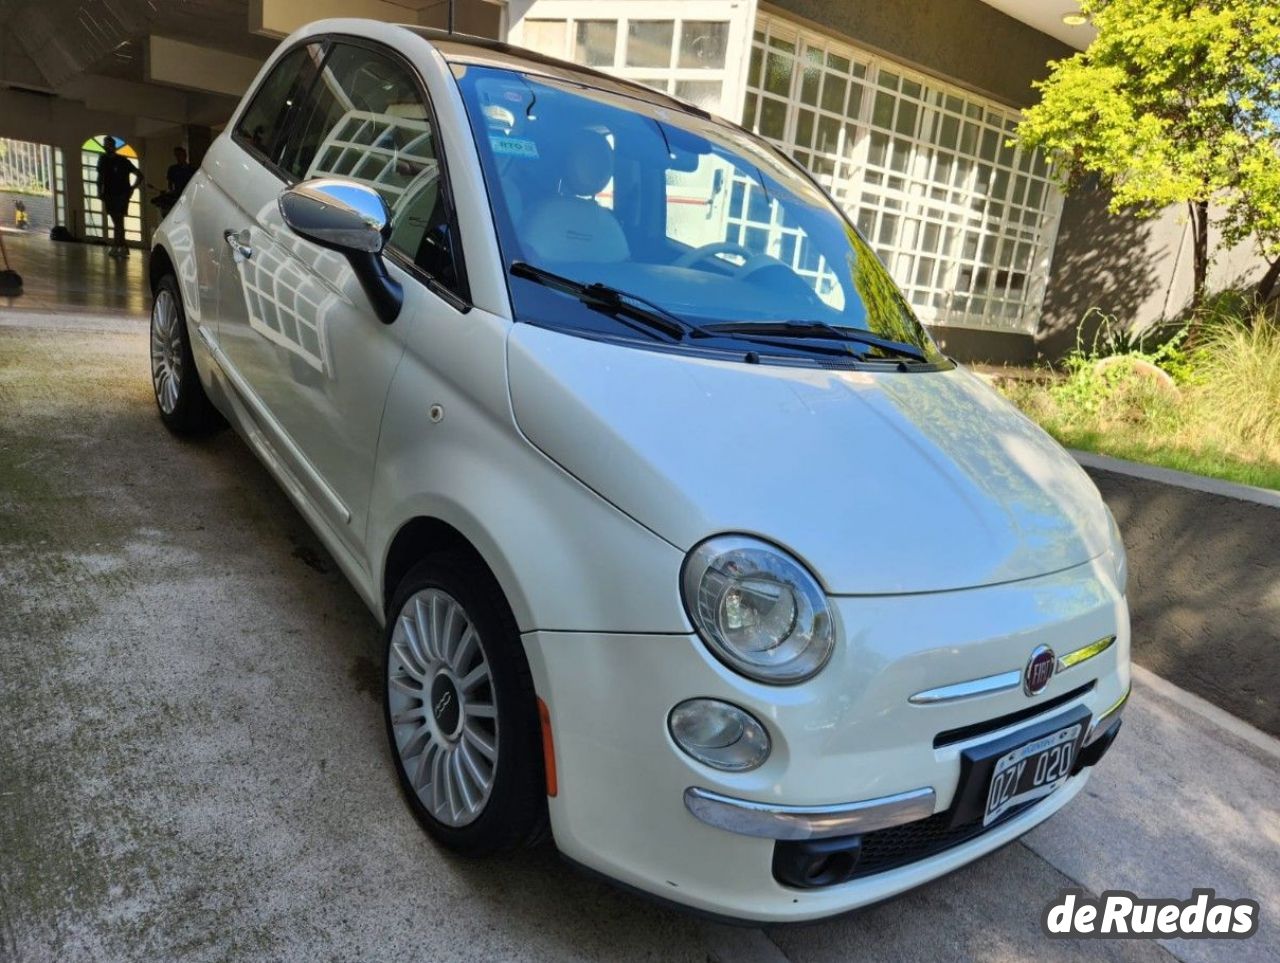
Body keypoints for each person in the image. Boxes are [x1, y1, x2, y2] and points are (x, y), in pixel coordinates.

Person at [96, 136, 139, 258]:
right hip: (111, 194)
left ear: (113, 146)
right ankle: (123, 247)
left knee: (118, 221)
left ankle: (117, 246)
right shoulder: (103, 159)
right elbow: (100, 177)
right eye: (106, 144)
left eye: (109, 144)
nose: (107, 147)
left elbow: (139, 175)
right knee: (118, 222)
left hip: (120, 194)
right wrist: (99, 191)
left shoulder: (122, 160)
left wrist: (131, 188)